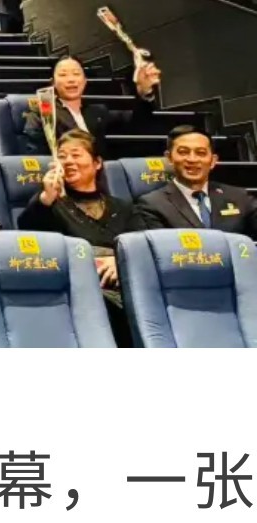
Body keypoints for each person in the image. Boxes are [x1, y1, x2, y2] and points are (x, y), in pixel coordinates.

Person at [16, 130, 134, 344]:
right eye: (62, 156)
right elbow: (28, 233)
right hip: (78, 288)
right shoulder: (50, 204)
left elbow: (139, 249)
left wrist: (120, 262)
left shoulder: (122, 207)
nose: (68, 161)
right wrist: (47, 197)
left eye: (76, 154)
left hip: (123, 284)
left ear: (97, 163)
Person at [128, 124, 257, 237]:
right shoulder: (151, 204)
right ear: (169, 158)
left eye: (200, 153)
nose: (192, 159)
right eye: (183, 152)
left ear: (213, 161)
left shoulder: (240, 197)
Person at [17, 56, 160, 157]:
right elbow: (34, 151)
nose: (71, 79)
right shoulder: (43, 113)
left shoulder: (97, 112)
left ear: (85, 81)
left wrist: (144, 92)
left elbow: (136, 122)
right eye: (63, 75)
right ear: (53, 83)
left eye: (76, 74)